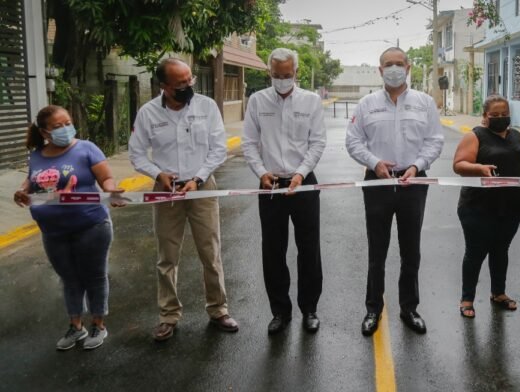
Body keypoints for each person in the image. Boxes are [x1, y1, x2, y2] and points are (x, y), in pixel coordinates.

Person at [129, 58, 238, 341]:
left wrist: (198, 178)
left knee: (210, 253)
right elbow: (137, 153)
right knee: (167, 257)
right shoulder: (148, 113)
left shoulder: (206, 106)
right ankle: (168, 315)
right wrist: (157, 173)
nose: (189, 85)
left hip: (202, 187)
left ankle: (218, 309)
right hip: (166, 190)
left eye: (189, 79)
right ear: (164, 86)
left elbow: (218, 149)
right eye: (180, 83)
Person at [346, 47, 444, 336]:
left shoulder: (424, 103)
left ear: (408, 67)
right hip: (377, 183)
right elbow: (353, 142)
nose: (393, 68)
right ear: (379, 70)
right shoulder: (366, 104)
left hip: (413, 182)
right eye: (388, 64)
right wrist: (374, 163)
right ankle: (373, 308)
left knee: (410, 250)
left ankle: (409, 308)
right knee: (377, 250)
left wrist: (417, 165)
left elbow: (434, 141)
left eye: (398, 64)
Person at [13, 105, 124, 350]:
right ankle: (76, 326)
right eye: (57, 126)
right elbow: (31, 181)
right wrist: (22, 192)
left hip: (91, 225)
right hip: (52, 230)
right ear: (44, 132)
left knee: (94, 275)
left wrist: (112, 190)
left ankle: (98, 324)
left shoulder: (86, 149)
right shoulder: (37, 155)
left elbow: (105, 178)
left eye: (67, 123)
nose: (65, 129)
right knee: (69, 278)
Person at [242, 48, 327, 335]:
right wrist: (261, 172)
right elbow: (249, 143)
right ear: (270, 73)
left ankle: (310, 309)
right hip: (271, 184)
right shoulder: (257, 101)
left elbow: (317, 142)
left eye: (287, 75)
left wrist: (301, 173)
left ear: (296, 73)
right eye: (276, 76)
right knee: (273, 250)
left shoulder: (311, 101)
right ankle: (280, 311)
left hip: (303, 182)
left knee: (309, 249)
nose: (281, 80)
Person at [452, 95, 520, 318]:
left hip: (511, 207)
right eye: (495, 115)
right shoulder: (475, 136)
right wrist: (479, 168)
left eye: (504, 114)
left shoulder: (517, 135)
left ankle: (498, 293)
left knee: (501, 250)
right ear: (485, 117)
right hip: (478, 207)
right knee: (475, 252)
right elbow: (458, 165)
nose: (501, 118)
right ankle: (467, 298)